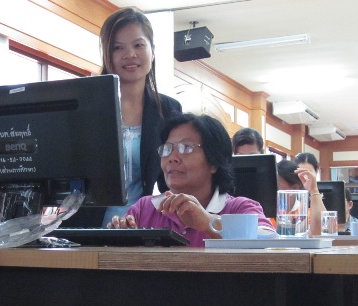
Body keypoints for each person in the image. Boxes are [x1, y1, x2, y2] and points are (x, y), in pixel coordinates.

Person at [66, 7, 182, 228]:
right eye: (118, 47)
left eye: (138, 45)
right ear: (107, 54)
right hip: (83, 228)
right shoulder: (82, 104)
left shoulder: (169, 109)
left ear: (152, 50)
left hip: (137, 227)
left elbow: (171, 180)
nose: (130, 54)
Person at [106, 113, 275, 247]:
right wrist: (119, 237)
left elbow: (270, 241)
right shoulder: (145, 208)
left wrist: (207, 222)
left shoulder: (240, 208)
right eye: (167, 149)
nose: (172, 157)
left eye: (186, 148)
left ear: (214, 162)